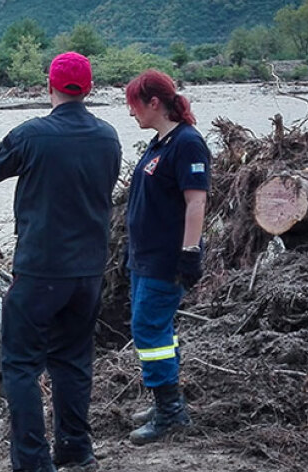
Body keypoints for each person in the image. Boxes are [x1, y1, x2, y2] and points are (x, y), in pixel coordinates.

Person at [0, 52, 122, 472]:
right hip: (89, 270)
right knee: (73, 360)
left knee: (19, 365)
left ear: (49, 86)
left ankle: (33, 465)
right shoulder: (108, 137)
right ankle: (76, 449)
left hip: (41, 269)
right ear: (91, 89)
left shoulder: (32, 134)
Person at [123, 69, 211, 445]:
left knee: (149, 330)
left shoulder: (188, 143)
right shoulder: (160, 142)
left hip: (166, 258)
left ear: (154, 103)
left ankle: (170, 411)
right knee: (158, 331)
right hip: (144, 257)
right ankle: (166, 400)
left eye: (134, 106)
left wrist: (189, 253)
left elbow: (196, 202)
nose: (131, 114)